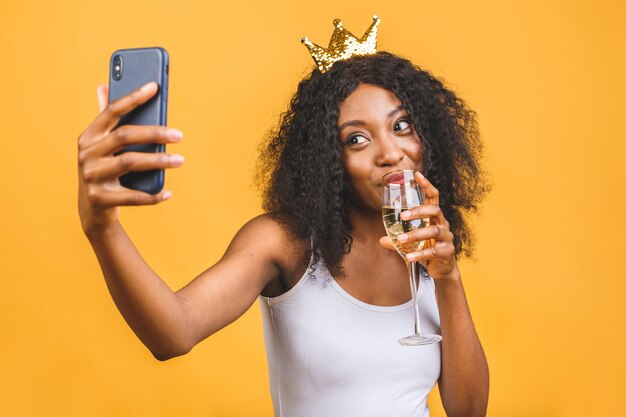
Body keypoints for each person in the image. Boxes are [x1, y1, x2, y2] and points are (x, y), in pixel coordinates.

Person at [78, 17, 490, 417]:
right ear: (329, 159)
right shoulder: (285, 243)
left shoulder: (426, 246)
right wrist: (102, 228)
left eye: (401, 125)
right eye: (357, 138)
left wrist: (448, 277)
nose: (389, 152)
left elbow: (468, 410)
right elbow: (174, 332)